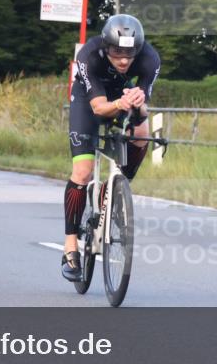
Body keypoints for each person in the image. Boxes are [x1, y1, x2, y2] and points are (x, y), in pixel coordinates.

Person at [62, 14, 160, 280]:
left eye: (130, 53)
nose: (124, 60)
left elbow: (144, 109)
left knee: (142, 133)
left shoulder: (150, 59)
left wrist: (138, 101)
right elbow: (98, 108)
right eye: (117, 53)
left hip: (121, 94)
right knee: (82, 172)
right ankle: (70, 246)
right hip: (89, 101)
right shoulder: (89, 55)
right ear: (106, 48)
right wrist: (119, 104)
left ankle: (113, 190)